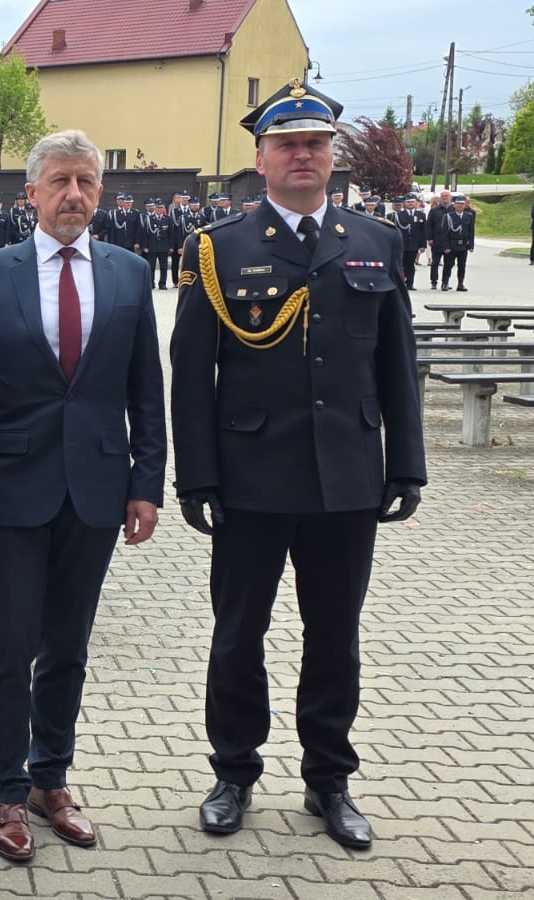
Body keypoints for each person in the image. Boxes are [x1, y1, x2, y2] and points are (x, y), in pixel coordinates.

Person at [170, 79, 426, 851]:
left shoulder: (377, 240)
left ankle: (329, 780)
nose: (303, 155)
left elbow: (396, 362)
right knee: (238, 636)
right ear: (261, 158)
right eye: (287, 145)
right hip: (250, 477)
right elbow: (193, 374)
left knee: (335, 638)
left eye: (315, 143)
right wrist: (197, 476)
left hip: (346, 478)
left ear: (332, 154)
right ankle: (233, 773)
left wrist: (406, 465)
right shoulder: (217, 247)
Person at [0, 129, 166, 864]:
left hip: (96, 489)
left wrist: (147, 483)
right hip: (11, 490)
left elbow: (146, 387)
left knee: (68, 647)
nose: (73, 194)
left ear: (100, 193)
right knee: (9, 644)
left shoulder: (130, 273)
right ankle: (7, 793)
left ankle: (51, 778)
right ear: (32, 194)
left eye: (85, 181)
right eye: (59, 181)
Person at [438, 193, 474, 291]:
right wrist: (446, 246)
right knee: (448, 265)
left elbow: (471, 232)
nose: (460, 206)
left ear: (465, 205)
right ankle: (445, 283)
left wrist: (471, 245)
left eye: (462, 204)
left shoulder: (468, 216)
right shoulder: (448, 216)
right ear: (454, 205)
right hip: (451, 244)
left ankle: (460, 284)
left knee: (462, 265)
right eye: (458, 204)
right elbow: (444, 233)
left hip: (463, 245)